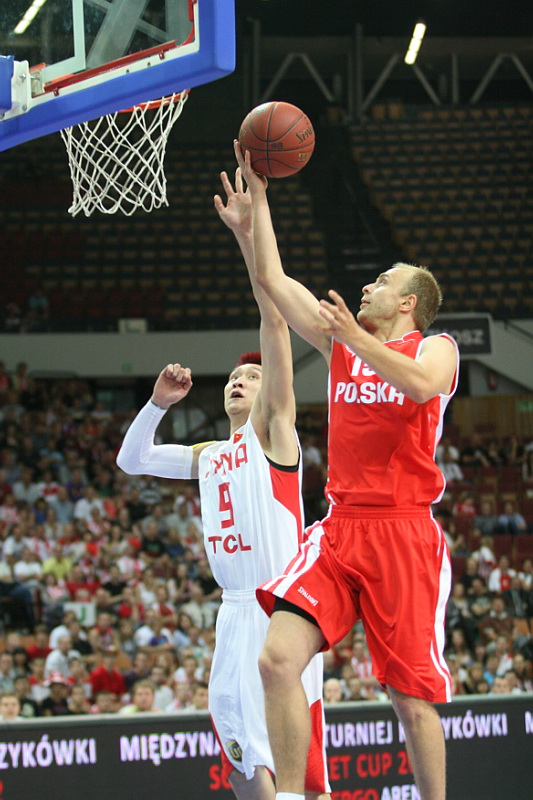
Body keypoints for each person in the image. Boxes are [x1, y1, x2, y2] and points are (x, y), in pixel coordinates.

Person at [234, 143, 459, 800]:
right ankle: (295, 797)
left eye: (382, 281)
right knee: (277, 659)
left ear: (409, 302)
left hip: (403, 532)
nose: (366, 287)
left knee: (409, 699)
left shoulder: (435, 347)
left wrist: (354, 340)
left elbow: (420, 386)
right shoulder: (342, 342)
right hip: (340, 528)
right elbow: (273, 280)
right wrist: (260, 205)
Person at [116, 166, 330, 800]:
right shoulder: (210, 453)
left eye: (253, 378)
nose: (240, 381)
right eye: (235, 378)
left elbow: (274, 322)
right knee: (240, 758)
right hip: (233, 613)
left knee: (300, 774)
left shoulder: (275, 433)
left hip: (281, 611)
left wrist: (248, 235)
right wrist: (157, 404)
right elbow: (132, 459)